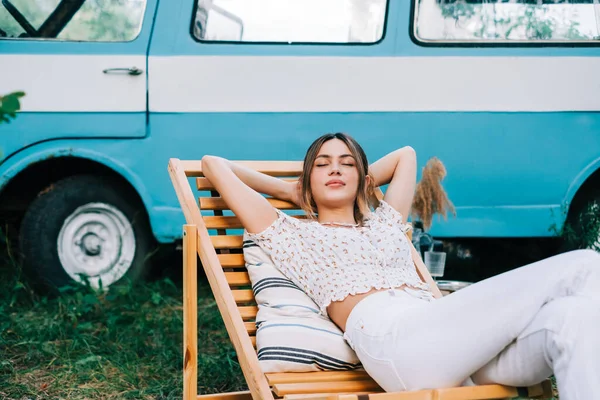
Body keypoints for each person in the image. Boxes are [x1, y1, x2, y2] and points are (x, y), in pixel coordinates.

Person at [202, 132, 599, 399]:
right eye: (322, 164)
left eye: (346, 163)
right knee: (584, 265)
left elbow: (406, 156)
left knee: (571, 318)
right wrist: (290, 188)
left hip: (453, 343)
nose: (335, 169)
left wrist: (353, 179)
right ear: (309, 180)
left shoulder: (386, 223)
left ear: (364, 178)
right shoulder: (290, 235)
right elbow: (213, 163)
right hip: (400, 345)